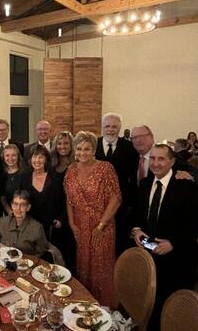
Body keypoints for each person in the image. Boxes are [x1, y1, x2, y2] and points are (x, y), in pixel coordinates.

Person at [131, 144, 198, 330]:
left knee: (175, 310)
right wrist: (137, 230)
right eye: (153, 159)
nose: (156, 163)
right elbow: (136, 215)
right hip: (150, 251)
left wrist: (174, 243)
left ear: (172, 161)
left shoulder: (185, 185)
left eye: (161, 159)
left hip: (178, 256)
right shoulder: (146, 184)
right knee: (151, 300)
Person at [64, 131, 121, 307]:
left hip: (101, 224)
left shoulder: (105, 168)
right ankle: (85, 305)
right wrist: (72, 223)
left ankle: (103, 308)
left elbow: (116, 198)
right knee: (83, 265)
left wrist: (101, 225)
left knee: (100, 267)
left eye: (87, 149)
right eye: (79, 149)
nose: (82, 153)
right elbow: (69, 199)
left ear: (94, 149)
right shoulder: (71, 169)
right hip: (80, 224)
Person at [95, 113, 138, 254]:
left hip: (120, 203)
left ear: (119, 128)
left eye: (114, 126)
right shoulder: (93, 145)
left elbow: (132, 178)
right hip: (96, 202)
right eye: (107, 126)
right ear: (102, 127)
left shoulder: (130, 148)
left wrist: (130, 203)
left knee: (117, 239)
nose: (110, 130)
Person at [0, 190, 49, 257]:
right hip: (3, 262)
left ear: (28, 207)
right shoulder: (4, 222)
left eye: (22, 205)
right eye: (15, 204)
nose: (18, 208)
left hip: (26, 264)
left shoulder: (37, 227)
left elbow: (42, 251)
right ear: (11, 206)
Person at [20, 145, 64, 241]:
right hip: (30, 225)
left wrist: (61, 219)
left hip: (52, 226)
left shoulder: (56, 177)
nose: (37, 160)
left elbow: (64, 201)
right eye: (34, 156)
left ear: (46, 159)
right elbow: (21, 200)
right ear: (30, 159)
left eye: (41, 157)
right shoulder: (24, 177)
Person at [49, 131, 77, 273]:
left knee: (68, 252)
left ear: (72, 145)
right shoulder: (52, 165)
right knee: (55, 252)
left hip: (68, 215)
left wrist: (63, 218)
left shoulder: (75, 166)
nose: (62, 146)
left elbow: (74, 198)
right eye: (59, 143)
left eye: (66, 143)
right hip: (53, 214)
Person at [0, 144, 25, 215]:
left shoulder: (26, 173)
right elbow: (2, 196)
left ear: (18, 157)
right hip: (8, 213)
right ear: (3, 157)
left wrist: (18, 210)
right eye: (7, 155)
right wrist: (9, 210)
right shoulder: (1, 174)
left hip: (24, 212)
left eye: (14, 155)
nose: (10, 158)